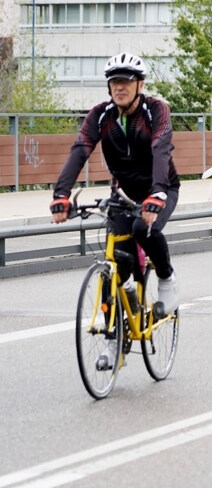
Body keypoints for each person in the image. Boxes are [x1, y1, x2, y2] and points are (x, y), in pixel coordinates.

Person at [50, 52, 180, 365]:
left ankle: (165, 279)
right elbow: (80, 150)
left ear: (140, 84)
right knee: (114, 271)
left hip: (159, 190)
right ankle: (114, 342)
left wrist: (158, 193)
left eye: (126, 81)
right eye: (114, 82)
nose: (119, 87)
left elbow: (161, 148)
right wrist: (61, 194)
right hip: (122, 195)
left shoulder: (155, 111)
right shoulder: (100, 116)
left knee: (141, 228)